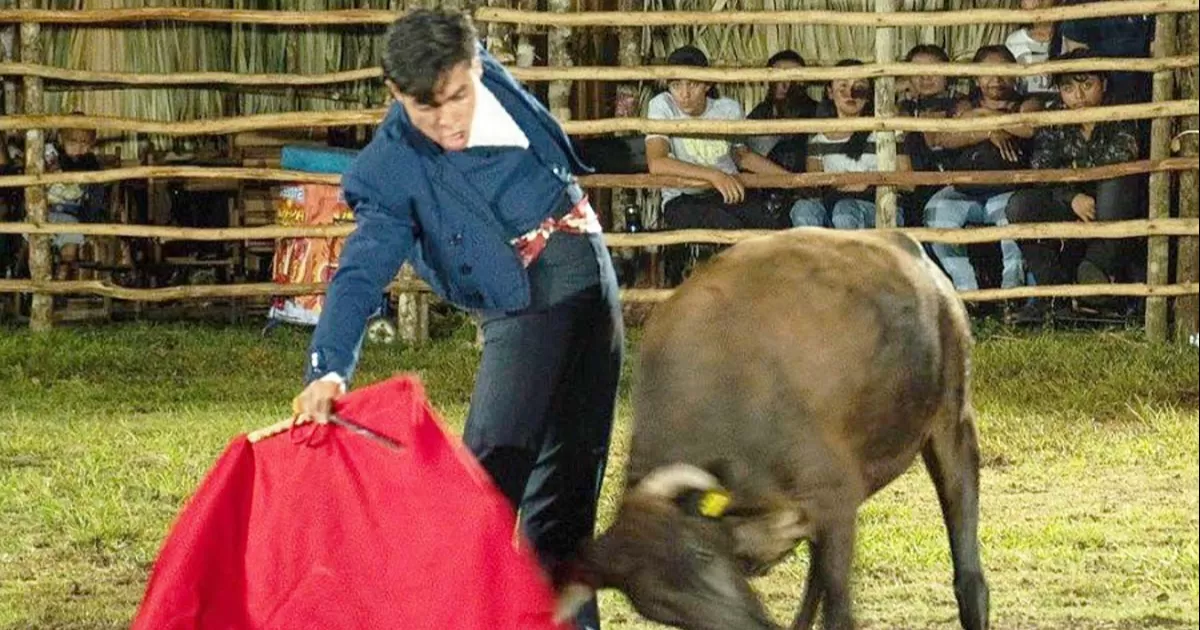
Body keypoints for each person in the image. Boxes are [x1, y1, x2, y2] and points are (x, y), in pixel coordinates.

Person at [289, 11, 623, 630]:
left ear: (476, 65)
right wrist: (329, 367)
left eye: (458, 96)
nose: (449, 121)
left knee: (568, 502)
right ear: (396, 95)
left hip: (592, 279)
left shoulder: (480, 64)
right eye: (427, 109)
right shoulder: (391, 168)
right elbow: (360, 272)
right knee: (479, 499)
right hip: (525, 305)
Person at [1005, 49, 1142, 325]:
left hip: (1118, 204)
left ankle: (1096, 267)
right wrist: (1071, 197)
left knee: (1115, 184)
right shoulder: (1055, 118)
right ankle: (1054, 293)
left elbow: (1122, 156)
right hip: (1073, 201)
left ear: (1104, 83)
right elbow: (1042, 168)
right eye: (1068, 88)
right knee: (1020, 206)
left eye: (1087, 86)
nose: (1078, 96)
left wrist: (1076, 180)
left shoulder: (1124, 111)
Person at [923, 46, 1042, 295]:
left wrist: (983, 116)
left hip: (1008, 191)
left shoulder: (1027, 103)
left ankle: (1012, 292)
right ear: (976, 78)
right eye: (987, 74)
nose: (995, 80)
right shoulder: (964, 104)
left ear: (1016, 75)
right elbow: (943, 137)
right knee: (936, 212)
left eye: (1003, 72)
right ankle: (967, 292)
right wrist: (988, 132)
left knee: (1012, 226)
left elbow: (1030, 128)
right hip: (965, 190)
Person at [789, 60, 913, 230]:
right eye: (843, 87)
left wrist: (868, 182)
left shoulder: (886, 130)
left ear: (868, 95)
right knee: (803, 210)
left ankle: (849, 256)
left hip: (880, 208)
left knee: (845, 211)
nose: (851, 93)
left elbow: (909, 182)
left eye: (859, 88)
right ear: (830, 92)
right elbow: (814, 186)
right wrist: (834, 183)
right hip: (833, 204)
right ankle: (815, 255)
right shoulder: (818, 137)